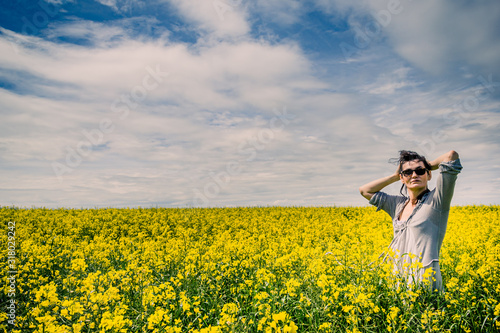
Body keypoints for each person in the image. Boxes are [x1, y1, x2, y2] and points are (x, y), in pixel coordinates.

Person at [359, 150, 462, 292]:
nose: (414, 175)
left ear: (429, 174)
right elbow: (365, 191)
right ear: (402, 177)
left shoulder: (437, 201)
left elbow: (451, 156)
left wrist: (427, 165)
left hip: (426, 286)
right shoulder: (397, 204)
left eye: (420, 171)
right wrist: (395, 176)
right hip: (399, 285)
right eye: (408, 172)